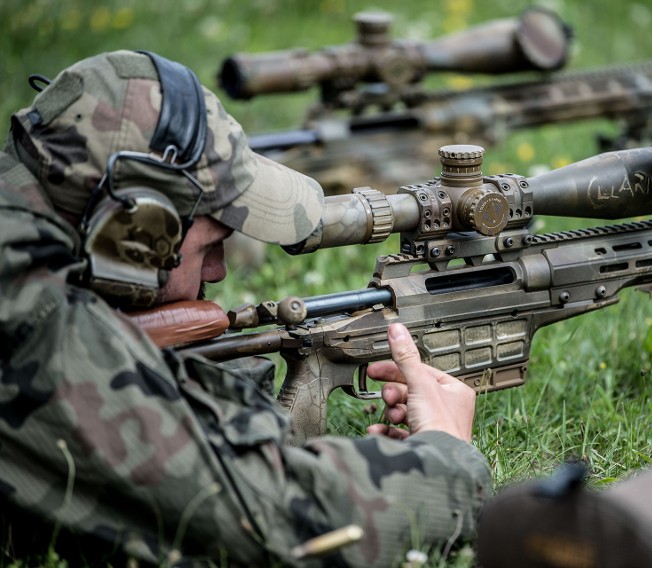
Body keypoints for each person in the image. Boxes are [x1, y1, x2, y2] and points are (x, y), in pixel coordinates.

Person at [0, 50, 491, 567]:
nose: (218, 273)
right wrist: (446, 456)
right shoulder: (29, 320)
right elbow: (273, 522)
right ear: (134, 233)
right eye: (210, 245)